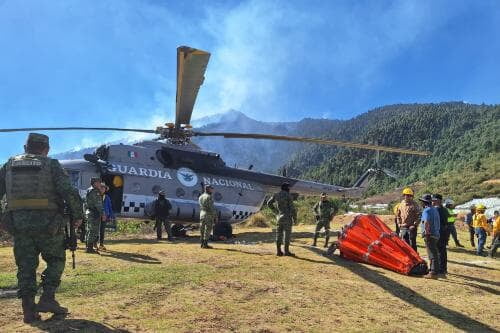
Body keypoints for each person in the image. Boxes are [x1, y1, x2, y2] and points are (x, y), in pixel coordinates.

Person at [0, 133, 83, 323]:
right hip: (49, 226)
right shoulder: (51, 165)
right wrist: (77, 216)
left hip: (18, 225)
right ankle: (47, 298)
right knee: (55, 260)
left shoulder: (9, 165)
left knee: (25, 267)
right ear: (46, 149)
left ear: (25, 147)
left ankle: (28, 311)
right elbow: (69, 192)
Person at [267, 182, 297, 256]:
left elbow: (269, 203)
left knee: (279, 234)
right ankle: (286, 252)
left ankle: (278, 251)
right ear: (286, 188)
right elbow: (292, 209)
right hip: (287, 217)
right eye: (288, 187)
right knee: (287, 235)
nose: (289, 189)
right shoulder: (288, 196)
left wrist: (276, 212)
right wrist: (295, 218)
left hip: (279, 217)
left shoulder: (276, 195)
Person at [419, 194, 440, 279]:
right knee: (434, 253)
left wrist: (427, 233)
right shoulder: (434, 209)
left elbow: (426, 222)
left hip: (430, 235)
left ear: (424, 202)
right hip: (436, 234)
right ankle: (435, 270)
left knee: (431, 254)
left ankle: (433, 272)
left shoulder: (426, 211)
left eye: (422, 202)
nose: (421, 203)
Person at [396, 187, 421, 252]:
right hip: (403, 227)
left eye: (410, 195)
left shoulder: (415, 205)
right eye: (406, 195)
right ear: (404, 196)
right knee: (404, 244)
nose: (408, 197)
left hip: (411, 228)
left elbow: (419, 216)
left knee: (412, 244)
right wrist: (399, 224)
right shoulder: (401, 205)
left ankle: (415, 259)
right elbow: (398, 215)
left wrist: (414, 224)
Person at [433, 194, 449, 276]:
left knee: (439, 251)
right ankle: (443, 268)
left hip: (440, 232)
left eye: (434, 200)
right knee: (442, 251)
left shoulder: (437, 210)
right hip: (444, 232)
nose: (433, 201)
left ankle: (441, 269)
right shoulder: (445, 210)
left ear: (438, 200)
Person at [85, 178, 103, 253]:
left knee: (89, 229)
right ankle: (89, 248)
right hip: (94, 213)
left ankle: (88, 246)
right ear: (95, 183)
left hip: (89, 212)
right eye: (99, 182)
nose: (100, 184)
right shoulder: (95, 191)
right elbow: (98, 204)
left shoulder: (89, 190)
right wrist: (102, 213)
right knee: (93, 230)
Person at [99, 184, 115, 250]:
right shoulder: (96, 196)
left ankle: (101, 244)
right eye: (101, 188)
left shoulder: (107, 197)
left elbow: (110, 207)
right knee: (95, 230)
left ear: (105, 190)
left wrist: (111, 216)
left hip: (105, 216)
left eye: (104, 188)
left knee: (102, 230)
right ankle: (94, 244)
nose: (102, 189)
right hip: (97, 215)